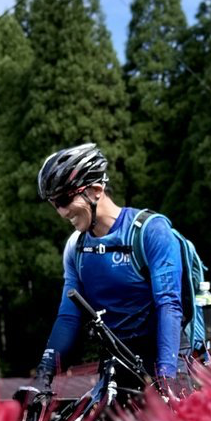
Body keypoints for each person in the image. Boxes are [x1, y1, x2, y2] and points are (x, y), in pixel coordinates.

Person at [32, 143, 183, 395]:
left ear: (96, 190)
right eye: (53, 203)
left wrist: (167, 377)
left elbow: (168, 305)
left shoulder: (151, 232)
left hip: (167, 356)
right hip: (117, 363)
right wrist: (43, 374)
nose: (61, 212)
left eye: (64, 199)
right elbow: (69, 317)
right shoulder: (76, 247)